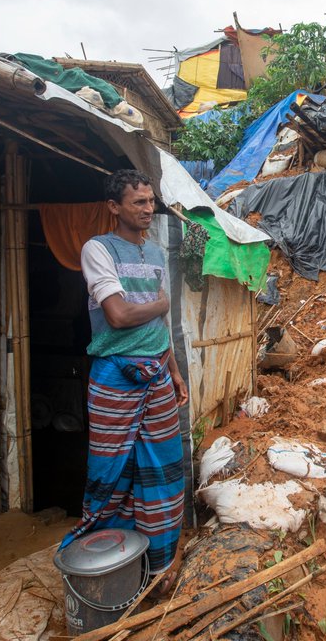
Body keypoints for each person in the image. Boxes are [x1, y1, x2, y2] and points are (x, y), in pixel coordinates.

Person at [61, 169, 190, 594]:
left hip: (156, 374)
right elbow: (116, 316)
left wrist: (173, 372)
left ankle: (158, 565)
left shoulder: (155, 254)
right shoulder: (98, 249)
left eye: (151, 201)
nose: (148, 209)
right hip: (115, 373)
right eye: (138, 202)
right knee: (111, 470)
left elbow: (161, 319)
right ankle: (105, 565)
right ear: (114, 207)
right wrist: (159, 304)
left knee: (163, 470)